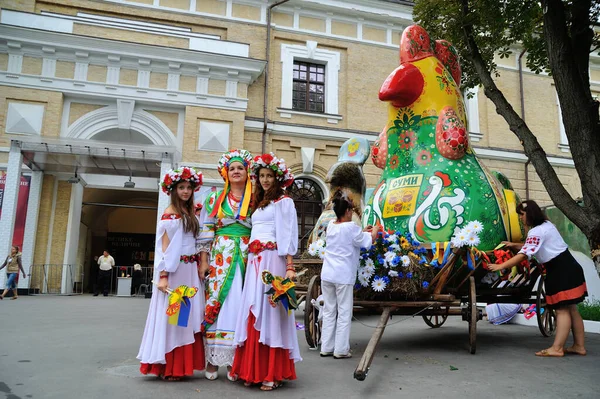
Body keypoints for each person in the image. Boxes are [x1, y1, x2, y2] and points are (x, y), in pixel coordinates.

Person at [231, 152, 301, 391]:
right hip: (254, 261)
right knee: (252, 307)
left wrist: (290, 266)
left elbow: (288, 235)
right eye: (261, 175)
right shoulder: (259, 203)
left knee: (269, 311)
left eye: (269, 175)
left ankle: (272, 372)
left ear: (277, 177)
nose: (265, 180)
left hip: (273, 260)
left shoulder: (284, 201)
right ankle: (250, 369)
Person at [489, 200, 588, 357]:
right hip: (570, 267)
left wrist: (501, 266)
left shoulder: (536, 232)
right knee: (572, 309)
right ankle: (579, 346)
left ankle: (557, 348)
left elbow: (524, 254)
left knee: (561, 311)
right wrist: (513, 244)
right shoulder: (547, 225)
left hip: (559, 271)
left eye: (521, 215)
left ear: (529, 214)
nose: (520, 219)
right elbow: (534, 246)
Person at [137, 166, 205, 380]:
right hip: (175, 272)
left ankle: (180, 365)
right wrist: (164, 275)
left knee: (186, 316)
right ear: (173, 190)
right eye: (181, 187)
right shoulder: (170, 214)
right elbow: (164, 247)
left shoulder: (191, 212)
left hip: (190, 271)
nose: (185, 191)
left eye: (189, 188)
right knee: (175, 317)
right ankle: (171, 366)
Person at [197, 149, 254, 381]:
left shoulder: (255, 198)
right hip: (221, 255)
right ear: (226, 173)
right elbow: (205, 229)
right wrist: (203, 260)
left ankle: (234, 360)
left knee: (241, 304)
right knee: (217, 302)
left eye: (240, 168)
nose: (237, 171)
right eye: (232, 168)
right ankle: (213, 360)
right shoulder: (214, 199)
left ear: (247, 171)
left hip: (247, 255)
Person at [319, 190, 378, 359]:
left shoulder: (331, 225)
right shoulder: (352, 228)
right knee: (344, 312)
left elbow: (353, 236)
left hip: (328, 274)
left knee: (330, 311)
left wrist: (363, 231)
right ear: (346, 211)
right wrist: (374, 230)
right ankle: (341, 350)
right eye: (351, 210)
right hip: (343, 276)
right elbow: (368, 242)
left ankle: (326, 347)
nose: (352, 213)